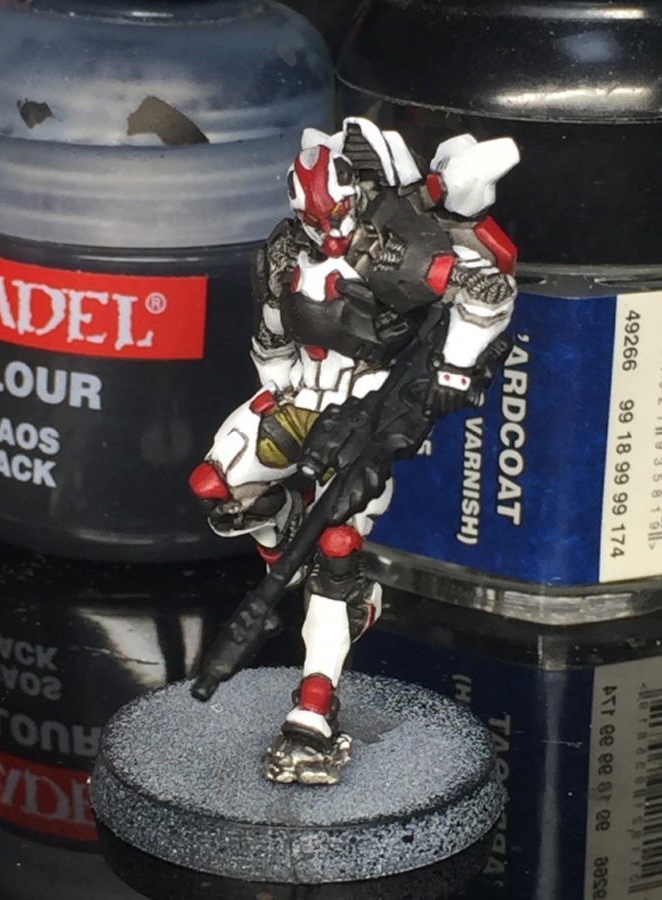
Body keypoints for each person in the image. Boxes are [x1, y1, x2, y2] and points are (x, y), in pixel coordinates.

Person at [190, 117, 519, 783]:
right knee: (216, 488)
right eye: (316, 220)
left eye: (337, 216)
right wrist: (277, 383)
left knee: (335, 550)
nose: (329, 233)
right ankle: (284, 543)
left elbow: (489, 294)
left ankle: (314, 704)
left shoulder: (396, 249)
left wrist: (452, 372)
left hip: (366, 408)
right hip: (299, 397)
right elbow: (272, 334)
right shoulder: (286, 249)